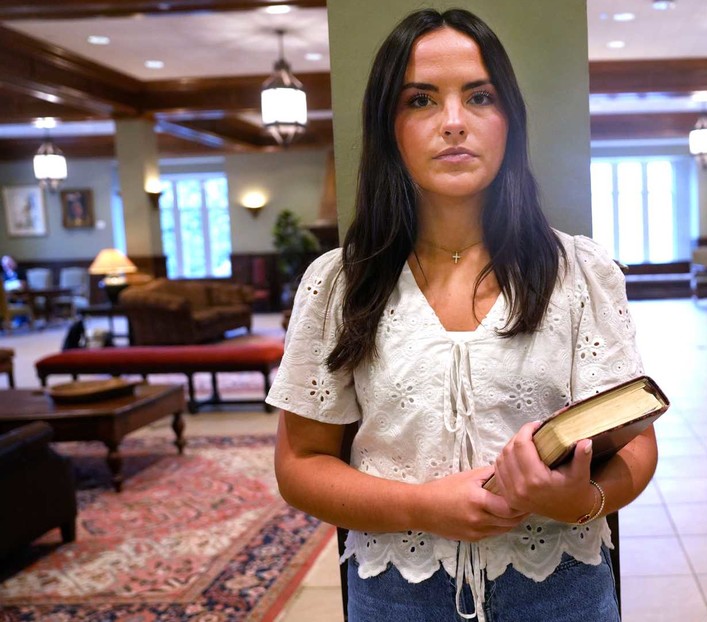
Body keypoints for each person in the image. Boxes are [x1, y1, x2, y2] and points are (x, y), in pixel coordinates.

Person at [268, 8, 657, 622]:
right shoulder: (340, 283)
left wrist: (579, 499)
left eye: (479, 96)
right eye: (420, 100)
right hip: (396, 595)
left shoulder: (580, 272)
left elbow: (635, 448)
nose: (453, 122)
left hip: (560, 591)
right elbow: (300, 465)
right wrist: (421, 507)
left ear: (510, 121)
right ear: (388, 126)